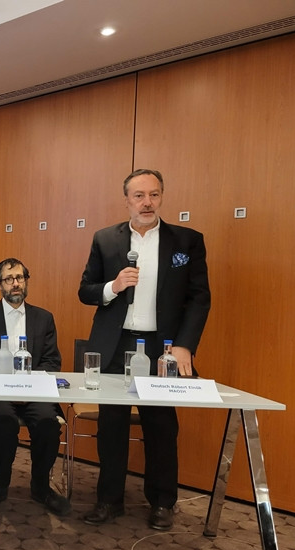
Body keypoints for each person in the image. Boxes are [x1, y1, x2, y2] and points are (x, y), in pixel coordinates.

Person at [78, 168, 210, 530]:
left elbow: (199, 298)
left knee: (161, 426)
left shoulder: (186, 241)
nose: (147, 202)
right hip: (115, 343)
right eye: (139, 196)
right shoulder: (105, 239)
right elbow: (86, 290)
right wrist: (114, 286)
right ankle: (109, 500)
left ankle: (163, 502)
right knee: (112, 425)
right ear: (127, 201)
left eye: (154, 194)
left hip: (161, 347)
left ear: (162, 196)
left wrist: (184, 346)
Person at [0, 258, 70, 516]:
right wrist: (7, 384)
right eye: (9, 279)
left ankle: (41, 486)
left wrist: (27, 386)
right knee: (4, 421)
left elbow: (52, 361)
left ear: (26, 281)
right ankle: (0, 486)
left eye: (20, 278)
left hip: (33, 391)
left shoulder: (43, 318)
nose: (15, 284)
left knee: (47, 422)